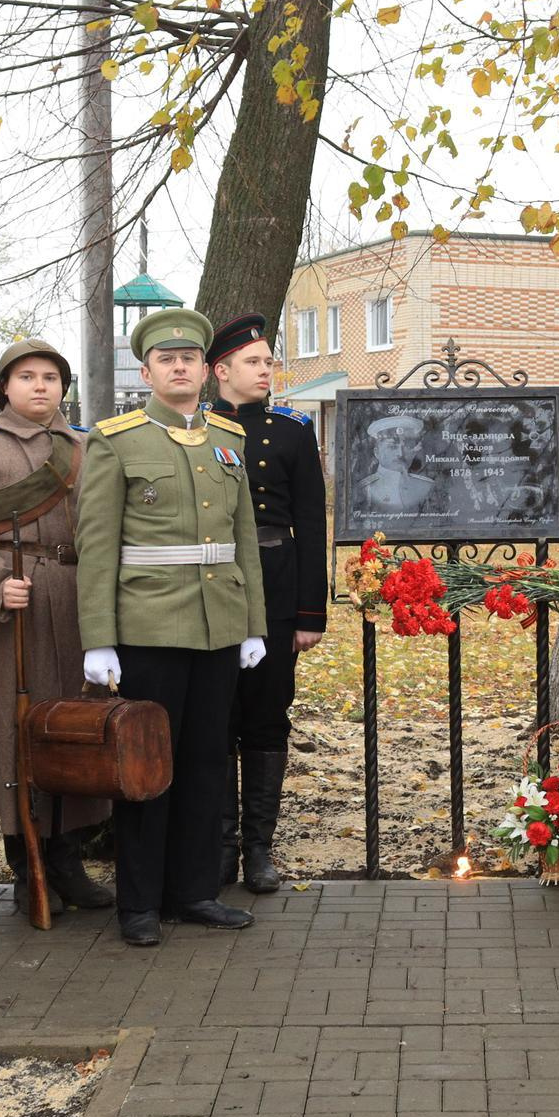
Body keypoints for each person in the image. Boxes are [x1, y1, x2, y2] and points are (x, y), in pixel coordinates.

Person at [76, 305, 268, 947]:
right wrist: (98, 637)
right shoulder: (116, 439)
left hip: (219, 626)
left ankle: (194, 893)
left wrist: (253, 625)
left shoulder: (228, 440)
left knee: (208, 764)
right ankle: (139, 903)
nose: (180, 366)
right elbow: (97, 545)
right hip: (149, 625)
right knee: (147, 768)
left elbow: (243, 538)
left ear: (205, 370)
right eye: (167, 359)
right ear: (148, 370)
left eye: (189, 357)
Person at [0, 339, 114, 915]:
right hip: (10, 607)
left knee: (74, 726)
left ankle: (68, 856)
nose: (40, 386)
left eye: (50, 377)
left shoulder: (86, 447)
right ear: (5, 388)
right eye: (26, 376)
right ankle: (27, 862)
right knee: (13, 730)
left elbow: (106, 527)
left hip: (75, 596)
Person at [207, 313, 329, 895]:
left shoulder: (292, 429)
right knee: (213, 720)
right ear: (221, 370)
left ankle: (258, 849)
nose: (266, 371)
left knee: (265, 717)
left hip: (277, 590)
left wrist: (310, 613)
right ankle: (216, 847)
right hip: (209, 588)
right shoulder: (197, 428)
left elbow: (310, 520)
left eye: (268, 361)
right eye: (254, 362)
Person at [360, 415, 435, 515]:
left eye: (407, 447)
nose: (400, 454)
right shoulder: (366, 489)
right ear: (377, 452)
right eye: (392, 447)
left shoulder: (427, 487)